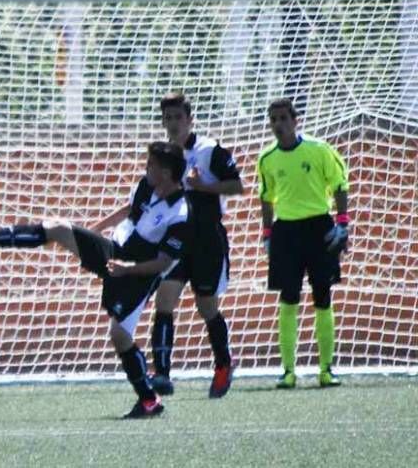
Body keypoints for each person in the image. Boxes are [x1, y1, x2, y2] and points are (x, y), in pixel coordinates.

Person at [0, 141, 191, 419]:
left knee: (120, 337)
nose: (146, 168)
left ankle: (148, 400)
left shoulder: (180, 213)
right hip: (114, 252)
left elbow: (163, 263)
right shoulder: (147, 185)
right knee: (58, 228)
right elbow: (129, 209)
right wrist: (94, 230)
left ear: (168, 173)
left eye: (151, 165)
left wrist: (126, 269)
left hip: (139, 275)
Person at [140, 92, 244, 398]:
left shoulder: (208, 149)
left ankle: (223, 364)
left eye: (178, 117)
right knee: (164, 301)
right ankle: (161, 373)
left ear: (190, 119)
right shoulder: (162, 157)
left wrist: (204, 187)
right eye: (167, 118)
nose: (173, 124)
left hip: (207, 240)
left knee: (206, 306)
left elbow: (237, 185)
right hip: (176, 240)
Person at [257, 98, 349, 389]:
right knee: (288, 298)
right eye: (273, 119)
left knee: (322, 296)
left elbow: (339, 184)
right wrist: (268, 234)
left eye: (283, 118)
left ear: (295, 121)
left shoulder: (318, 150)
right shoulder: (267, 158)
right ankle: (288, 370)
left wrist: (343, 224)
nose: (278, 124)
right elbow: (266, 198)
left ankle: (326, 369)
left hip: (319, 227)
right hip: (286, 233)